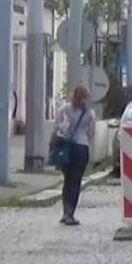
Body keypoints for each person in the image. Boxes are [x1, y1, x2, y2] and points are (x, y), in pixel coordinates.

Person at [56, 85, 96, 226]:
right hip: (81, 148)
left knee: (67, 180)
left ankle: (65, 212)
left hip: (65, 148)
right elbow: (91, 133)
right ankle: (70, 214)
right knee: (75, 181)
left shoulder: (64, 109)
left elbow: (58, 127)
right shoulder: (89, 113)